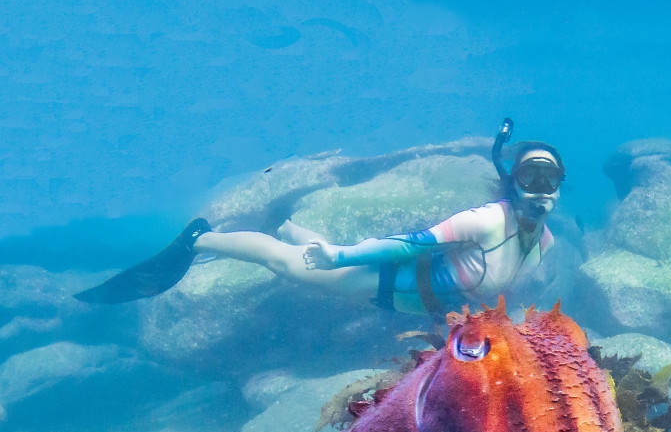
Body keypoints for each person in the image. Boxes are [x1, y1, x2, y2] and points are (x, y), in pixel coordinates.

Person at [75, 120, 565, 316]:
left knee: (300, 253)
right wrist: (339, 255)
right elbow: (410, 243)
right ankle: (200, 240)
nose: (540, 192)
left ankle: (289, 226)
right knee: (289, 266)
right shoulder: (485, 221)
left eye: (550, 180)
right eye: (531, 178)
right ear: (513, 181)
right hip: (381, 276)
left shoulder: (543, 246)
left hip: (408, 301)